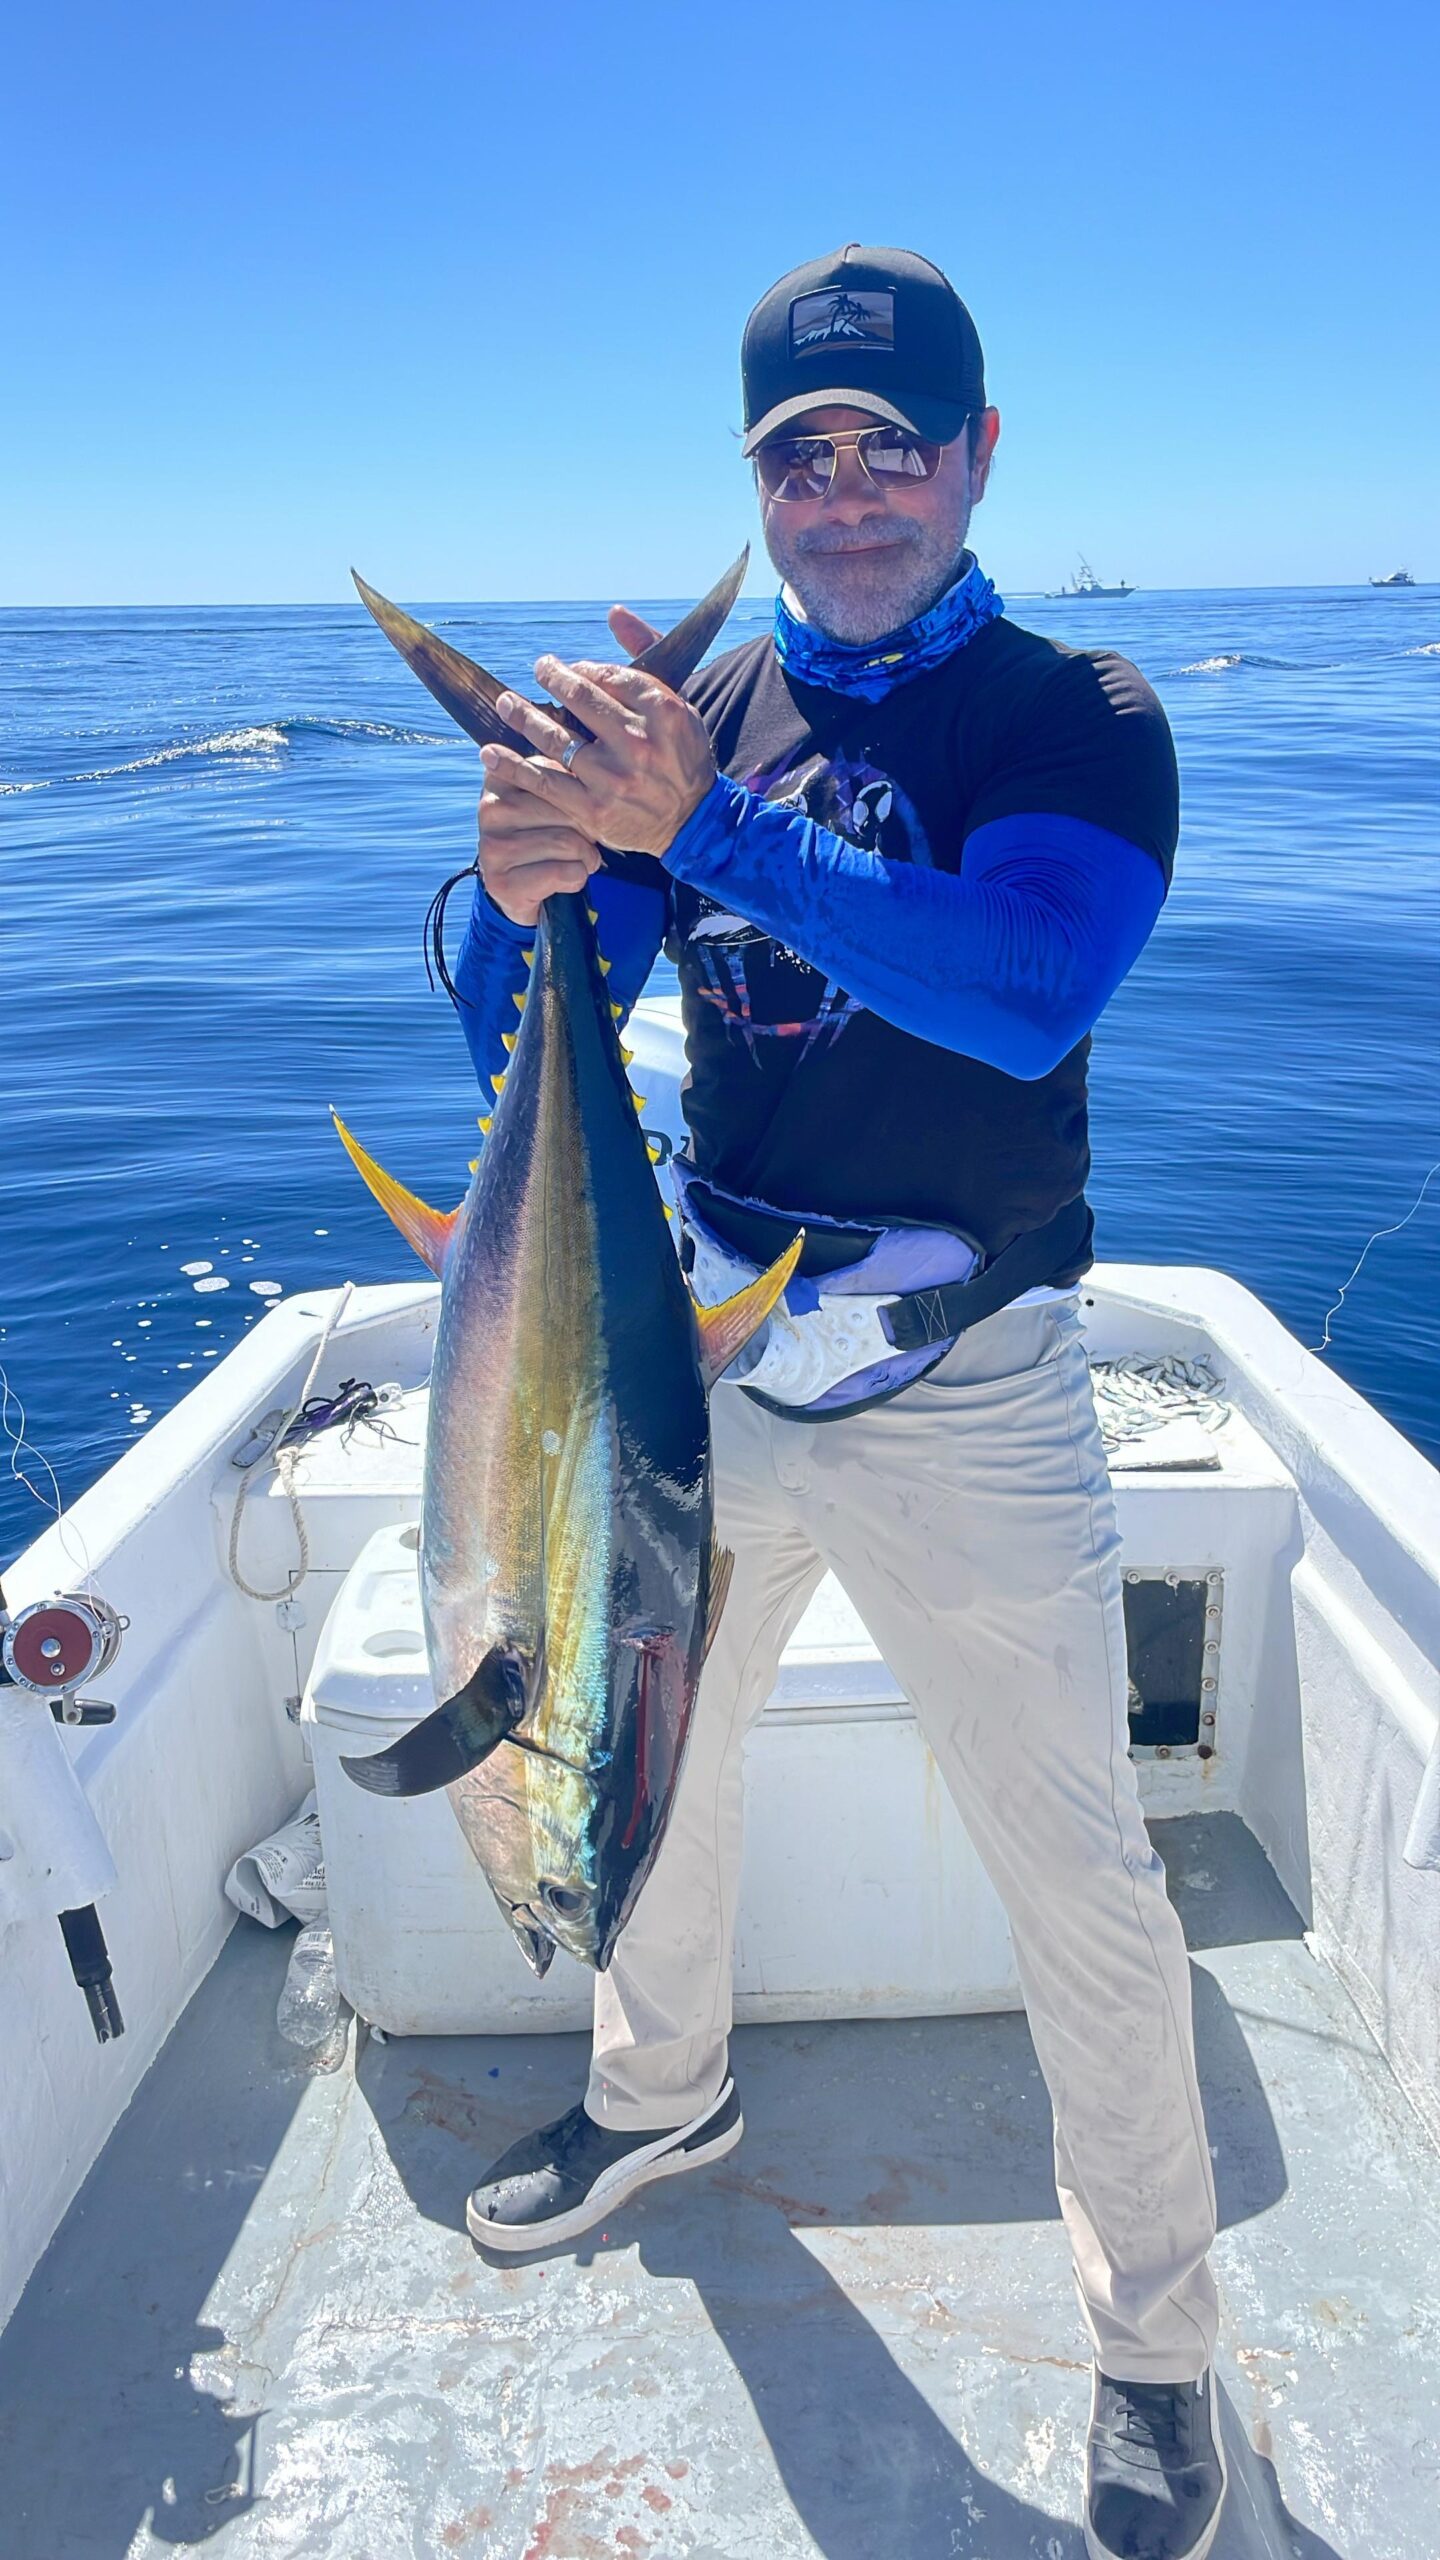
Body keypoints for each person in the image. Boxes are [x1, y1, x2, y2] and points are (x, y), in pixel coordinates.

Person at [451, 245, 1227, 2560]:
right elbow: (520, 1010)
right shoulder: (681, 718)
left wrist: (698, 824)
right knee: (636, 1756)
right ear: (762, 487)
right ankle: (655, 2092)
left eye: (897, 441)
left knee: (1075, 1875)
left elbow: (1024, 991)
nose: (851, 486)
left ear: (982, 454)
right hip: (698, 1357)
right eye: (804, 449)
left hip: (966, 1380)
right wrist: (511, 885)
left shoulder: (1069, 711)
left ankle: (1162, 2344)